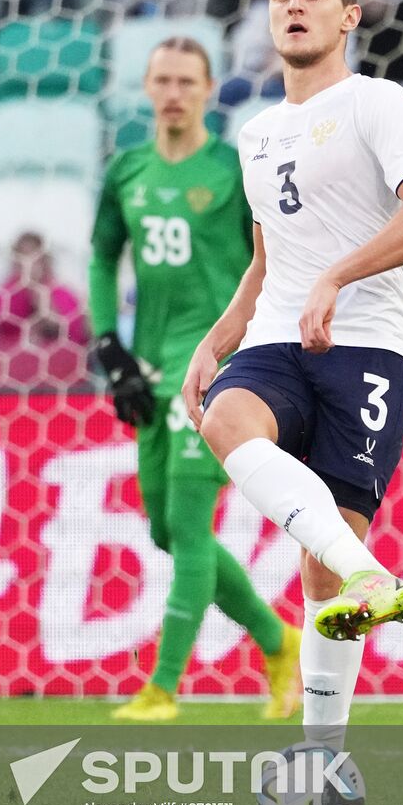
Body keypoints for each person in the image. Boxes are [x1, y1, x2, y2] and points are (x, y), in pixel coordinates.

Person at [183, 0, 403, 742]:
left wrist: (337, 279)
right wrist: (222, 334)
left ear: (347, 16)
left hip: (370, 345)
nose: (292, 5)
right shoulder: (256, 134)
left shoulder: (378, 102)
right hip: (279, 337)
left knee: (319, 560)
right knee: (225, 418)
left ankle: (321, 754)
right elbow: (271, 254)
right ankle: (369, 577)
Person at [89, 36, 301, 721]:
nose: (174, 92)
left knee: (184, 521)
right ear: (146, 87)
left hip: (214, 368)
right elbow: (101, 256)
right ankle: (278, 641)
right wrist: (107, 347)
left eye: (187, 80)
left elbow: (267, 262)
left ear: (209, 90)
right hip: (147, 368)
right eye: (162, 79)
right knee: (161, 528)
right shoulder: (126, 170)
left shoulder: (235, 169)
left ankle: (162, 688)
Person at [0, 230, 90, 390]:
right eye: (23, 255)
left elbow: (76, 333)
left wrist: (39, 294)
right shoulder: (5, 295)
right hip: (14, 379)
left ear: (44, 259)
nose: (29, 263)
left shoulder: (63, 293)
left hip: (60, 379)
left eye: (34, 256)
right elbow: (2, 324)